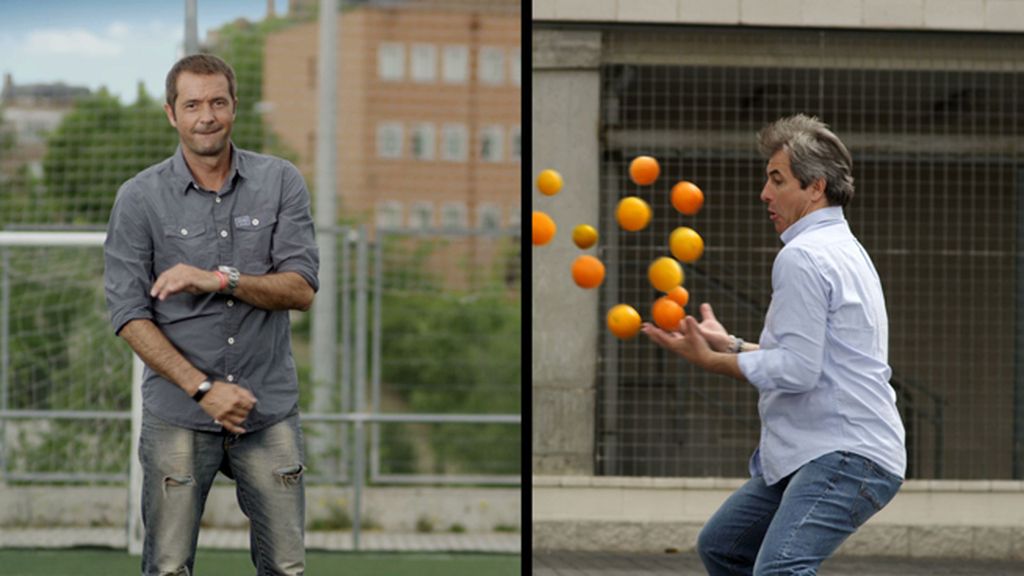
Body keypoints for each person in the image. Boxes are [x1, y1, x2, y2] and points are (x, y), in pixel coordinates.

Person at [641, 114, 906, 575]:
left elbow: (799, 371)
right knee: (723, 546)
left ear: (815, 188)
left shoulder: (802, 256)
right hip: (822, 449)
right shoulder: (842, 247)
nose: (765, 193)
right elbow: (813, 360)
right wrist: (731, 344)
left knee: (780, 570)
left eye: (777, 179)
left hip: (845, 452)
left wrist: (712, 361)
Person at [104, 53, 318, 576]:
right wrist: (204, 390)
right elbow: (129, 315)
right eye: (193, 104)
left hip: (268, 411)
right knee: (169, 568)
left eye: (217, 102)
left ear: (234, 108)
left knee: (286, 569)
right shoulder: (139, 198)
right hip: (178, 415)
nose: (207, 115)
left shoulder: (280, 181)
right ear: (171, 113)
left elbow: (301, 287)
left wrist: (221, 278)